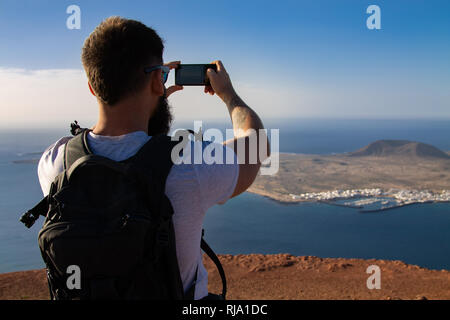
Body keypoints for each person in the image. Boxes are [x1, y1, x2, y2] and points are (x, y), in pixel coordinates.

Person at [37, 16, 269, 300]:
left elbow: (115, 149)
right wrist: (228, 94)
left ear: (92, 87)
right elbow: (255, 143)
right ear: (157, 80)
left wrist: (152, 100)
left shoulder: (55, 163)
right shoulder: (190, 165)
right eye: (161, 75)